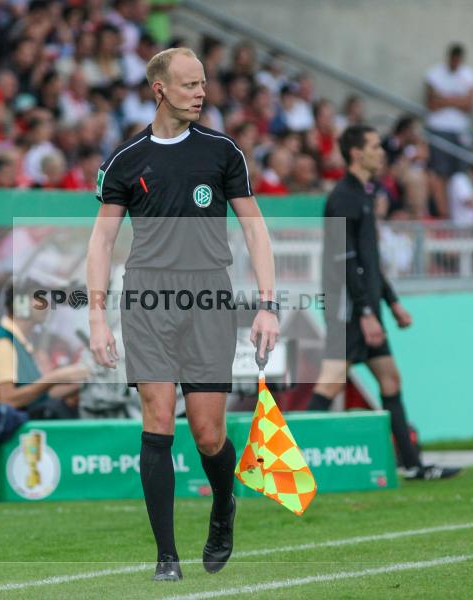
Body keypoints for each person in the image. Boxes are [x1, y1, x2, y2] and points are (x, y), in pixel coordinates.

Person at [86, 47, 279, 580]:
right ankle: (166, 556)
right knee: (156, 417)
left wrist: (267, 305)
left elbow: (255, 229)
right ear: (160, 90)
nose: (201, 93)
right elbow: (102, 240)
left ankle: (223, 506)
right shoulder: (125, 160)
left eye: (203, 84)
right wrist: (97, 316)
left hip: (209, 297)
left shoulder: (222, 153)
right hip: (147, 297)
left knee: (208, 434)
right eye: (190, 85)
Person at [308, 125, 461, 481]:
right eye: (375, 146)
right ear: (357, 153)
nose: (382, 152)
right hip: (348, 308)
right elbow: (343, 259)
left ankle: (412, 465)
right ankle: (285, 464)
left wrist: (392, 303)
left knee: (390, 380)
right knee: (330, 384)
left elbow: (369, 258)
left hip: (364, 307)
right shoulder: (342, 197)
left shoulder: (365, 193)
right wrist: (364, 312)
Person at [0, 282, 88, 419]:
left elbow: (38, 396)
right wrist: (53, 378)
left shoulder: (21, 343)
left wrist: (86, 380)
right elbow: (8, 399)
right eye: (39, 298)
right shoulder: (2, 342)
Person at [424, 43, 473, 217]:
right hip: (439, 128)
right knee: (440, 172)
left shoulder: (469, 75)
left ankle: (457, 214)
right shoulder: (434, 73)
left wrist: (444, 99)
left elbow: (469, 105)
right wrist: (457, 101)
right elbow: (432, 103)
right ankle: (443, 213)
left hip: (459, 130)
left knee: (460, 175)